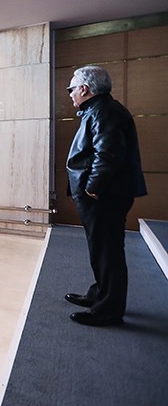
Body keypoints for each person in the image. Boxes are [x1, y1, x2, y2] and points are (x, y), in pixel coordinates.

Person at [64, 65, 147, 327]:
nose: (70, 95)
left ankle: (108, 310)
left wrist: (93, 188)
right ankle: (100, 294)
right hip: (104, 195)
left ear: (84, 89)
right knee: (101, 249)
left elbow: (108, 154)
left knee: (108, 251)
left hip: (104, 196)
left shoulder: (105, 112)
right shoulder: (99, 110)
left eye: (71, 89)